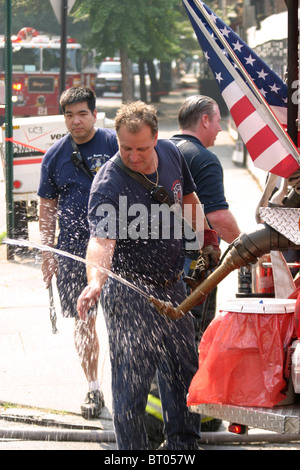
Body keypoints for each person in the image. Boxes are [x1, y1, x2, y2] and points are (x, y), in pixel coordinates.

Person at [77, 100, 221, 450]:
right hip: (130, 293)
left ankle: (183, 448)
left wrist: (202, 243)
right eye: (126, 148)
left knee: (184, 372)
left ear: (156, 138)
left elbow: (188, 197)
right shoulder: (109, 182)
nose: (134, 155)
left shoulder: (172, 153)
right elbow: (101, 241)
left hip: (173, 288)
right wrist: (95, 282)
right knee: (131, 385)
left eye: (142, 148)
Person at [37, 87, 119, 419]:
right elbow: (47, 206)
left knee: (123, 321)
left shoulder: (114, 144)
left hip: (116, 248)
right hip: (72, 252)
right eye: (69, 115)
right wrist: (46, 252)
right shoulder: (54, 155)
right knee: (84, 321)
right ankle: (93, 388)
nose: (76, 121)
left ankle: (132, 387)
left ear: (94, 114)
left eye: (82, 113)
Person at [171, 95, 240, 342]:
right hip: (194, 262)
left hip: (160, 259)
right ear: (204, 120)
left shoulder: (161, 152)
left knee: (166, 331)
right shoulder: (204, 159)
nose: (221, 128)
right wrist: (246, 248)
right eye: (218, 121)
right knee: (194, 333)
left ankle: (162, 382)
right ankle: (191, 380)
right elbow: (217, 217)